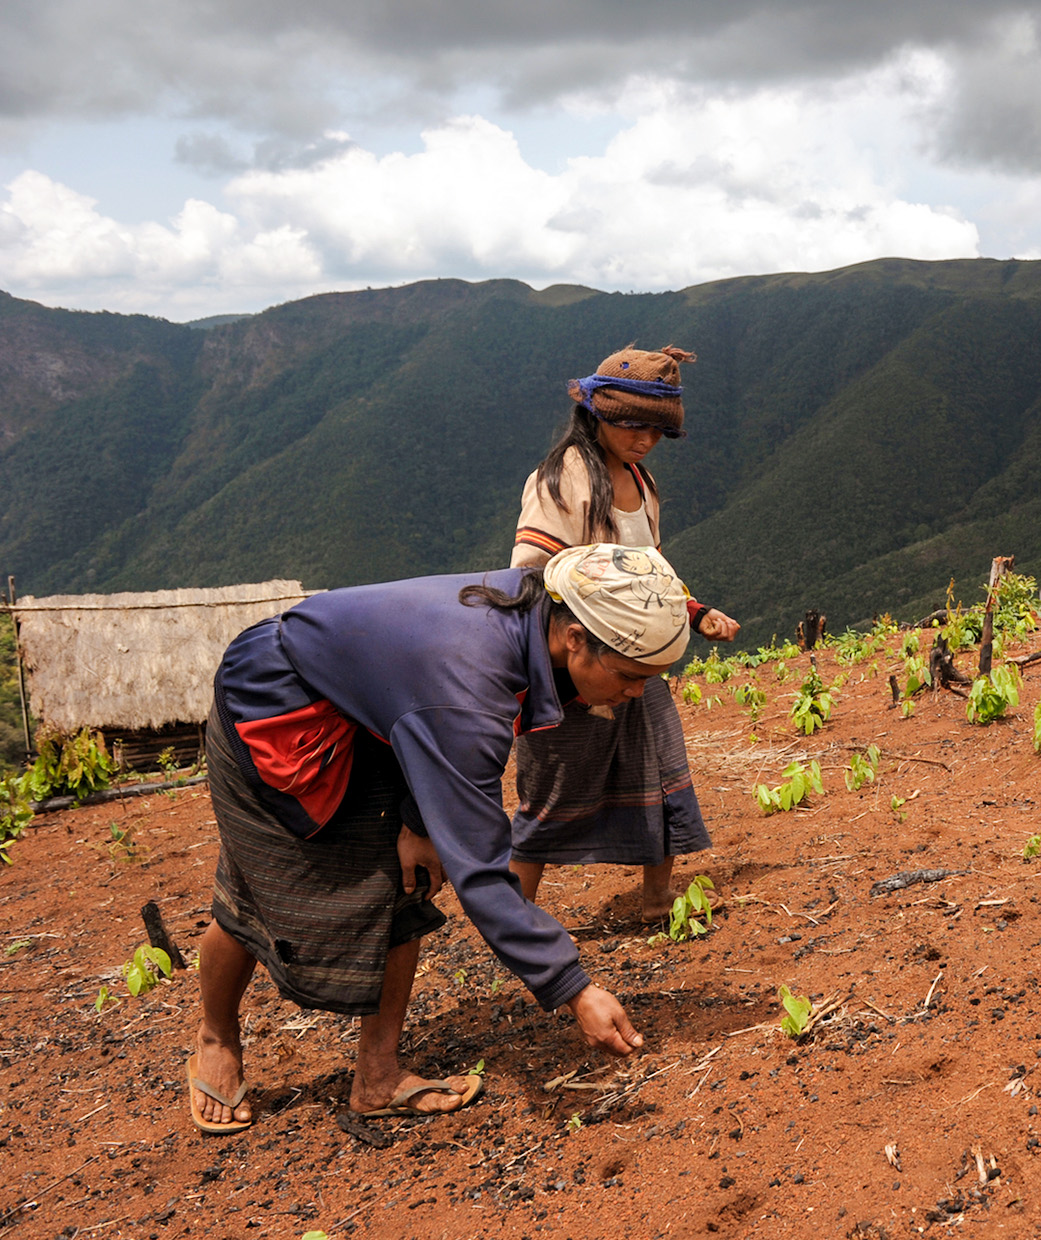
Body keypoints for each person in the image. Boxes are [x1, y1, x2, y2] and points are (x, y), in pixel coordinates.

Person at [187, 543, 685, 1135]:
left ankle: (376, 1076)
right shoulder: (468, 683)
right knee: (256, 893)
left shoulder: (534, 607)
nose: (635, 693)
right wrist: (574, 990)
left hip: (376, 716)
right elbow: (479, 866)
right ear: (574, 637)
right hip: (283, 715)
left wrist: (418, 821)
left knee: (406, 884)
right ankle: (215, 1036)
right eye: (629, 676)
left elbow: (416, 708)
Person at [509, 346, 739, 918]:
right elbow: (529, 574)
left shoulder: (642, 480)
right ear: (596, 413)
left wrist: (693, 610)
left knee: (660, 769)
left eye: (656, 430)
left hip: (640, 659)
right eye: (631, 424)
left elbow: (650, 571)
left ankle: (656, 897)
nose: (643, 439)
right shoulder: (562, 479)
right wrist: (570, 646)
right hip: (578, 661)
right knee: (550, 787)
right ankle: (514, 919)